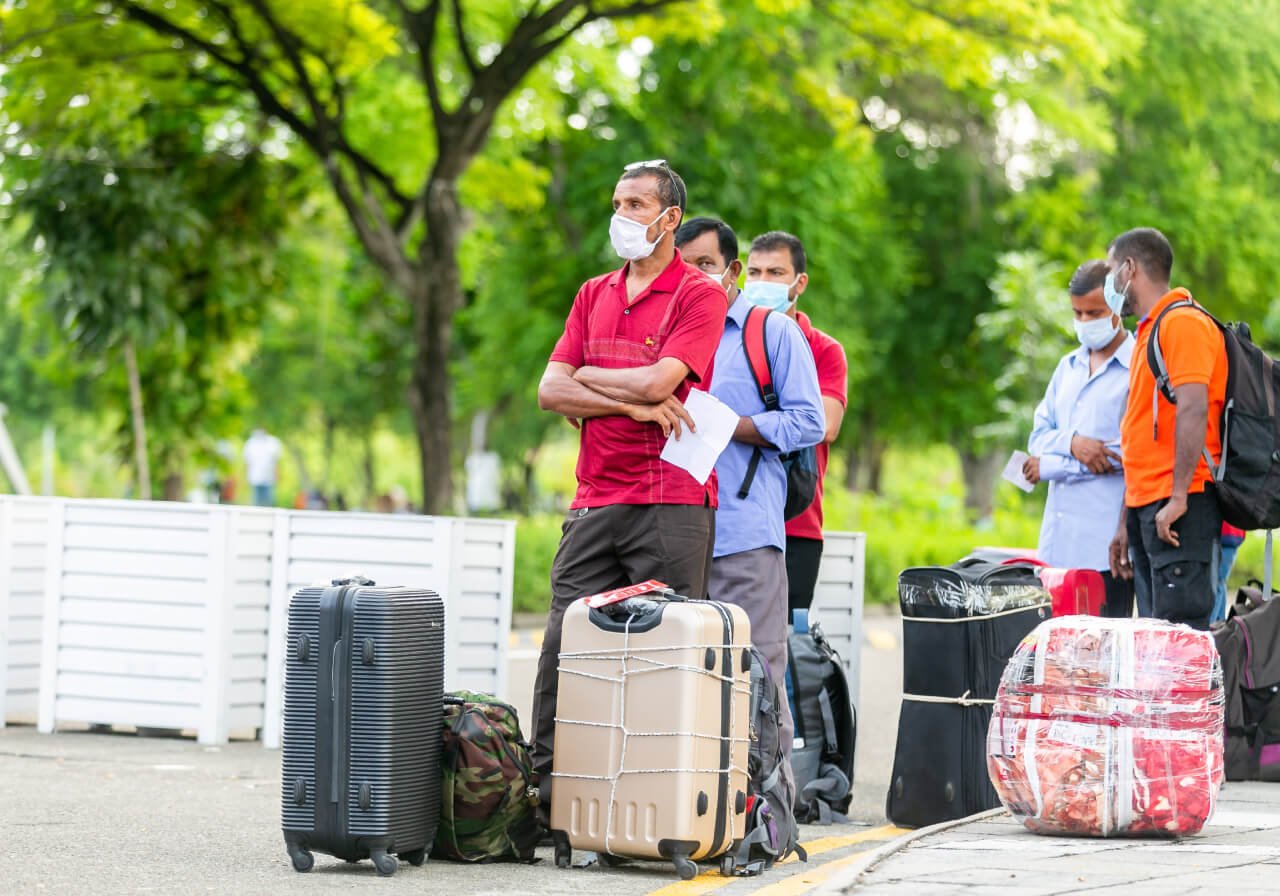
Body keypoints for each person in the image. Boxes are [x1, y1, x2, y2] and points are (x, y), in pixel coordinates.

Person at [531, 160, 727, 814]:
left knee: (666, 663)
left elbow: (656, 381)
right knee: (564, 648)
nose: (623, 215)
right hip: (595, 500)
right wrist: (635, 406)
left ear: (670, 218)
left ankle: (658, 810)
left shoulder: (699, 294)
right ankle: (545, 802)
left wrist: (596, 380)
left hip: (671, 505)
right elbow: (549, 390)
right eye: (618, 201)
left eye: (637, 204)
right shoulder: (593, 293)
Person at [687, 223, 825, 756]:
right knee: (685, 685)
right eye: (683, 266)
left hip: (743, 533)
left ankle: (765, 824)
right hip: (672, 531)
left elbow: (809, 422)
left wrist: (734, 425)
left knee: (757, 679)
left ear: (730, 270)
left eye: (703, 265)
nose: (691, 277)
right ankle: (696, 819)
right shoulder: (671, 331)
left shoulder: (770, 332)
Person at [1106, 228, 1227, 630]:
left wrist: (1177, 497)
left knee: (1181, 645)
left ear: (1129, 268)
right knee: (1155, 643)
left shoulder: (1183, 323)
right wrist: (1126, 520)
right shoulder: (1148, 331)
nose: (1110, 283)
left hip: (1181, 505)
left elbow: (1193, 407)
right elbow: (1138, 435)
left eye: (1111, 272)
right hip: (1149, 506)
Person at [1023, 259, 1135, 617]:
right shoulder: (1066, 367)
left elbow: (1117, 456)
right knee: (1058, 660)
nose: (1085, 322)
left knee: (1103, 661)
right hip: (1056, 546)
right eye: (1078, 313)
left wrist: (1049, 467)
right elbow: (1038, 436)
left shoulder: (1137, 369)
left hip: (1106, 548)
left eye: (1094, 312)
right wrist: (1074, 444)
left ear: (1117, 307)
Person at [1214, 523, 1246, 623]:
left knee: (1216, 583)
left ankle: (1210, 627)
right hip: (1230, 534)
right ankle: (1218, 625)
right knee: (1220, 582)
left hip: (1225, 533)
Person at [242, 427, 282, 507]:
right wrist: (246, 477)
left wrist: (277, 474)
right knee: (256, 501)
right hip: (255, 477)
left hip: (269, 477)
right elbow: (247, 462)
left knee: (269, 501)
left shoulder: (272, 442)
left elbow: (276, 461)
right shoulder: (250, 443)